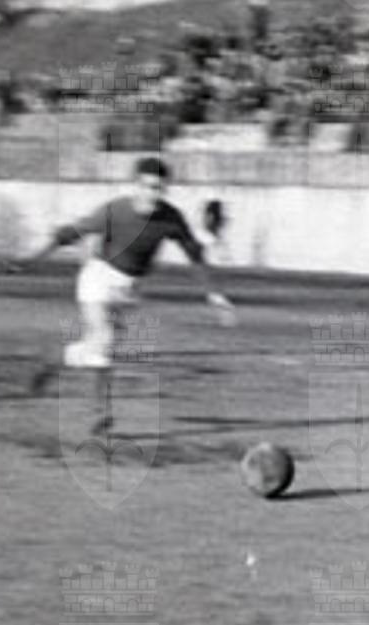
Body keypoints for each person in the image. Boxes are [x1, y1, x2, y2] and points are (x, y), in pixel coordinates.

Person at [17, 154, 234, 436]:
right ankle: (101, 413)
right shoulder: (115, 211)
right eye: (148, 187)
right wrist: (32, 258)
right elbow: (70, 233)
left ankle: (53, 362)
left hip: (129, 290)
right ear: (136, 185)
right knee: (104, 338)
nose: (153, 194)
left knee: (97, 347)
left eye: (159, 188)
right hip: (98, 278)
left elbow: (194, 255)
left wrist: (214, 294)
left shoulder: (171, 218)